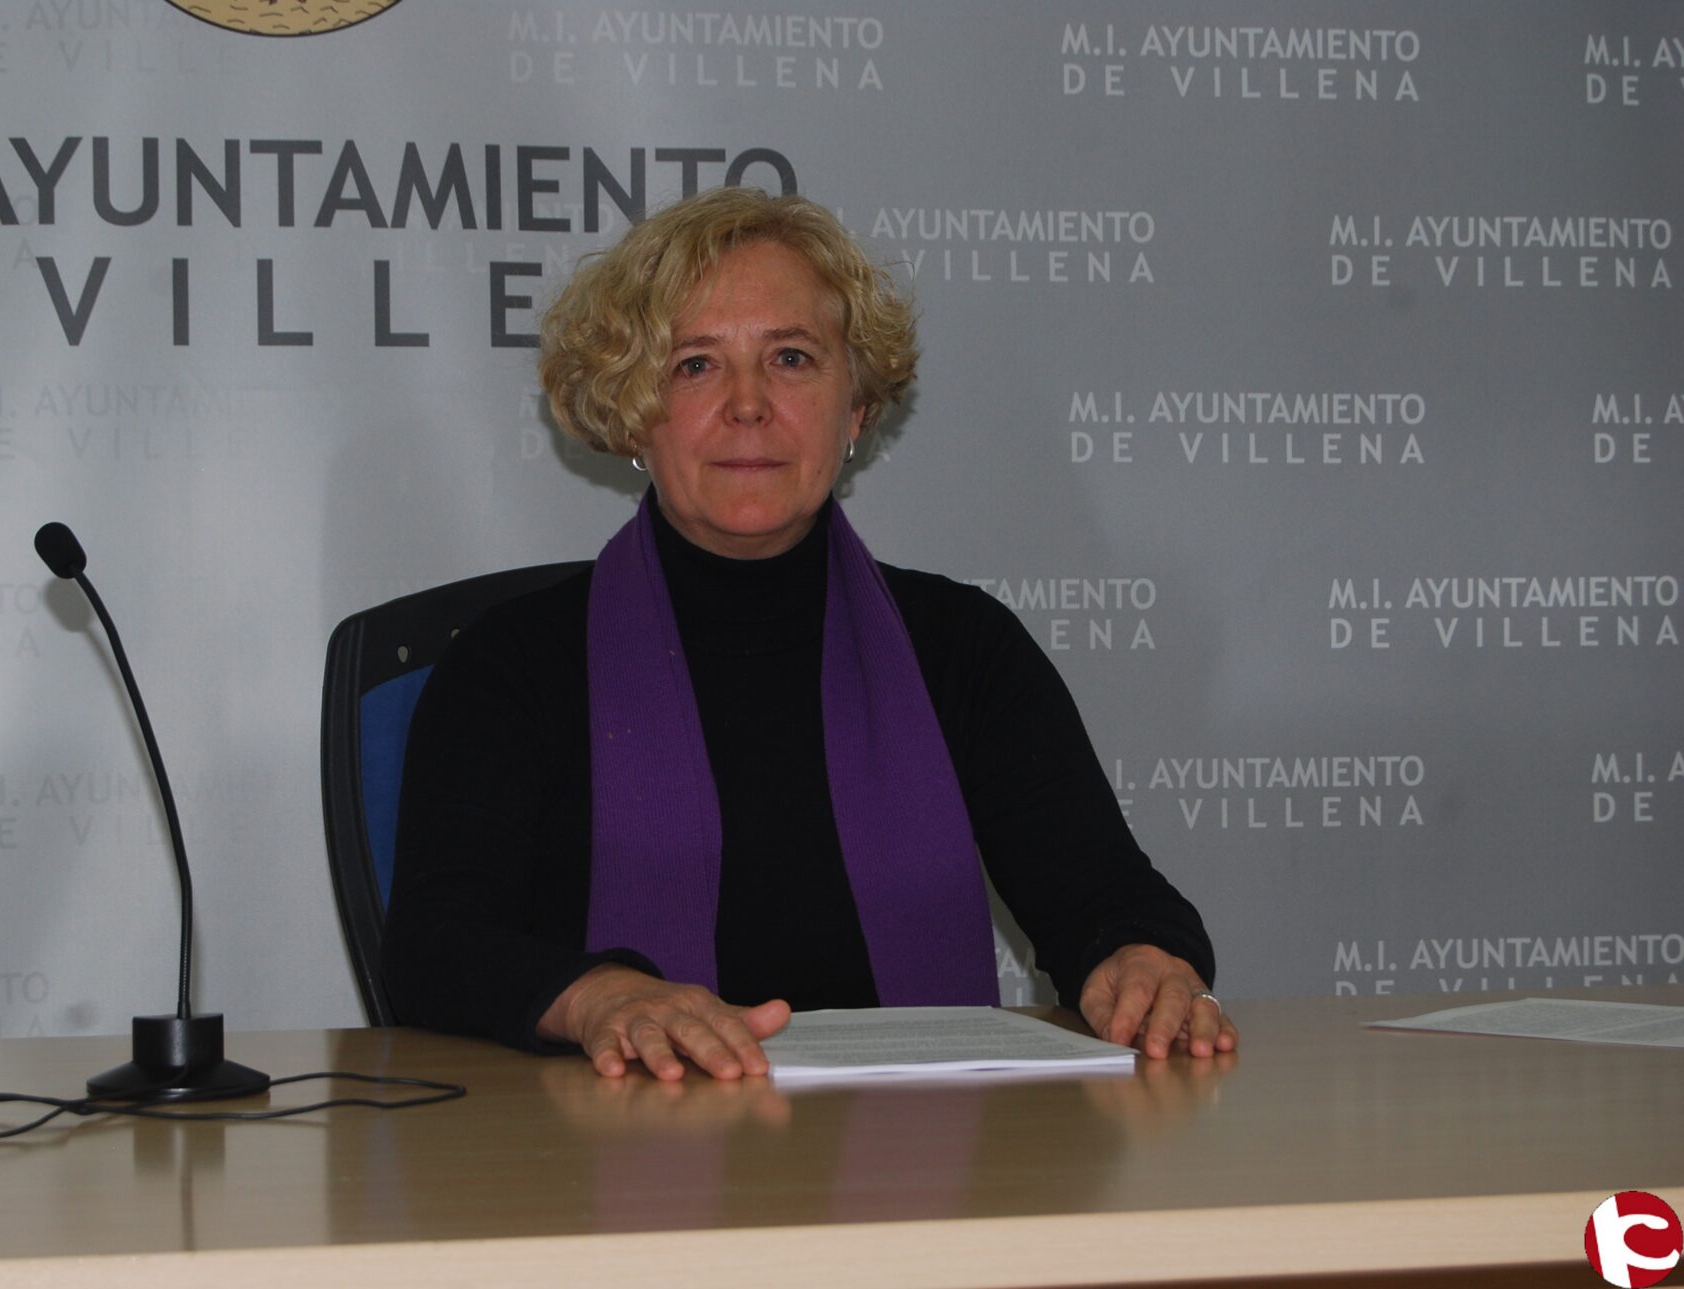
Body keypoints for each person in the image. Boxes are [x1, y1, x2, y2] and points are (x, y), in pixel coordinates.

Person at [381, 186, 1236, 1080]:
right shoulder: (513, 665)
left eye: (791, 358)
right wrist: (600, 998)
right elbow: (435, 946)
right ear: (632, 412)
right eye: (695, 365)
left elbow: (1108, 898)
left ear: (856, 408)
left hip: (921, 1152)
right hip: (613, 1144)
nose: (748, 404)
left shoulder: (963, 650)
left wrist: (1140, 960)